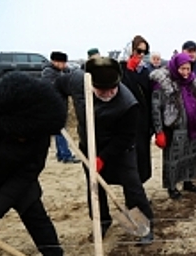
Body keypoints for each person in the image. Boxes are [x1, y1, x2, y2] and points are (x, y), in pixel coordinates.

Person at [55, 57, 154, 244]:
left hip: (121, 150)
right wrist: (60, 112)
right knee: (95, 187)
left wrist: (103, 158)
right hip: (89, 146)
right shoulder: (78, 81)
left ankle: (145, 226)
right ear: (91, 83)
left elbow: (125, 137)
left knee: (132, 186)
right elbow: (57, 86)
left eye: (112, 89)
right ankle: (101, 221)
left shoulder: (128, 104)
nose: (108, 93)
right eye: (102, 89)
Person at [0, 72, 83, 256]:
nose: (25, 140)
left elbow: (29, 172)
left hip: (19, 179)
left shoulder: (40, 130)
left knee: (37, 217)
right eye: (21, 137)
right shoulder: (5, 118)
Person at [149, 53, 196, 200]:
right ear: (175, 67)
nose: (186, 72)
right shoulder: (163, 83)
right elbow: (156, 108)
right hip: (173, 128)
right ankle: (172, 187)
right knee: (173, 159)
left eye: (188, 69)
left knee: (190, 156)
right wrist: (159, 131)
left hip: (190, 127)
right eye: (182, 69)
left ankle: (188, 181)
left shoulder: (192, 81)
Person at [121, 35, 154, 183]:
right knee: (129, 160)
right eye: (138, 51)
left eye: (144, 52)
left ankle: (140, 190)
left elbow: (149, 96)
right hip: (127, 122)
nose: (141, 55)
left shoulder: (145, 71)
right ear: (131, 50)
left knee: (142, 158)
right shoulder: (121, 70)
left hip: (143, 122)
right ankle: (133, 195)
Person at [42, 51, 80, 164]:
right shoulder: (48, 73)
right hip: (52, 105)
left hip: (60, 104)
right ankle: (65, 155)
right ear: (55, 62)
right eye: (62, 63)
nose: (64, 65)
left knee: (60, 130)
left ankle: (61, 154)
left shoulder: (61, 71)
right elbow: (54, 88)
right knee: (61, 130)